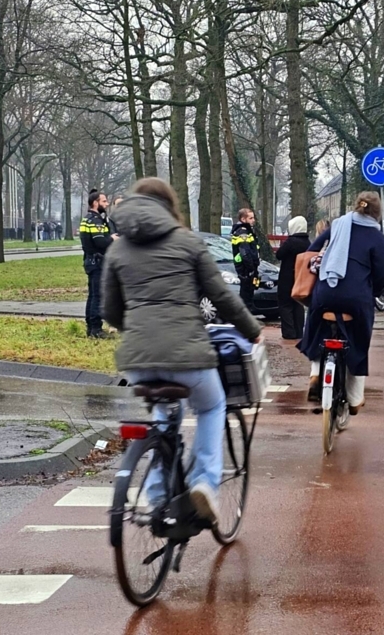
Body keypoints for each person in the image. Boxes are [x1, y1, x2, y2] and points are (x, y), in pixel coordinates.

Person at [101, 177, 263, 521]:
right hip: (187, 355)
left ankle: (158, 495)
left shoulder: (118, 249)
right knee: (212, 405)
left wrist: (140, 330)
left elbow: (111, 312)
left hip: (138, 361)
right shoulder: (188, 242)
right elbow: (221, 296)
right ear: (169, 207)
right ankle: (204, 483)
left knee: (163, 416)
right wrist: (252, 330)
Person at [298, 192, 384, 415]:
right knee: (360, 339)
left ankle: (315, 372)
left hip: (326, 292)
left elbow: (312, 249)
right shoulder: (377, 238)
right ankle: (355, 397)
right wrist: (374, 292)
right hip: (356, 298)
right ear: (377, 214)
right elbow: (380, 274)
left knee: (315, 321)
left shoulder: (339, 224)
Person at [80, 190, 112, 338]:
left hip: (90, 261)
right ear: (95, 203)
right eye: (104, 201)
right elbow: (100, 241)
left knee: (92, 295)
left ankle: (90, 327)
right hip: (97, 261)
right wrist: (112, 239)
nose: (106, 204)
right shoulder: (96, 220)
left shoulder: (87, 219)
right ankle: (96, 329)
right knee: (98, 296)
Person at [274, 215, 310, 340]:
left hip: (287, 277)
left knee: (285, 305)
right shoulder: (308, 242)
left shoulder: (290, 242)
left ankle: (289, 332)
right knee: (297, 305)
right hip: (301, 278)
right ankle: (299, 331)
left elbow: (279, 255)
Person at [230, 208, 261, 310]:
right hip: (246, 269)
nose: (253, 220)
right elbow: (245, 253)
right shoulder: (242, 233)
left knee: (248, 295)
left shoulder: (247, 231)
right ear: (243, 219)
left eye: (253, 218)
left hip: (247, 268)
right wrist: (251, 269)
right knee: (246, 297)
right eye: (250, 218)